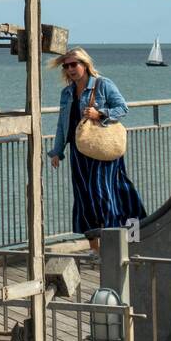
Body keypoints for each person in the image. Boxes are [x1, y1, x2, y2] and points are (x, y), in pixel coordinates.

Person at [48, 47, 145, 253]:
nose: (70, 69)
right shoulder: (67, 93)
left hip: (103, 150)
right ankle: (96, 249)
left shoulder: (103, 84)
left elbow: (123, 108)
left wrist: (99, 113)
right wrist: (57, 151)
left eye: (74, 64)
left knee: (105, 195)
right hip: (79, 151)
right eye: (66, 66)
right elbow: (62, 124)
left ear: (85, 64)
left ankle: (122, 243)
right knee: (84, 198)